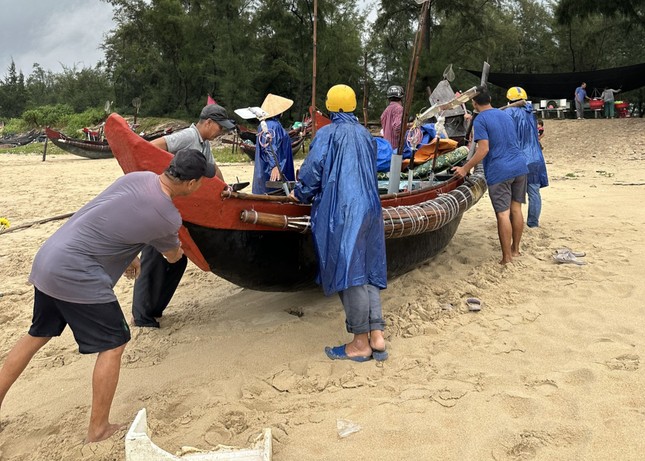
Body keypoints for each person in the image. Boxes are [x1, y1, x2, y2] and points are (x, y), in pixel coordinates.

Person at [0, 149, 215, 443]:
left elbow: (108, 216)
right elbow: (172, 255)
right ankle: (98, 429)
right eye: (203, 181)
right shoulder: (166, 215)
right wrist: (181, 251)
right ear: (191, 183)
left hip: (51, 257)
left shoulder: (141, 178)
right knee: (115, 344)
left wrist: (129, 256)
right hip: (77, 275)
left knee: (37, 335)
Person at [291, 84, 388, 362]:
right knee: (369, 268)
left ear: (330, 107)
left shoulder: (327, 134)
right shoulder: (365, 135)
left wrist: (299, 193)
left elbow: (312, 173)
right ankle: (377, 336)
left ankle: (360, 343)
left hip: (344, 210)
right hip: (371, 208)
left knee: (351, 273)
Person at [132, 104, 235, 328]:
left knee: (176, 260)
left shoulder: (204, 143)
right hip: (166, 203)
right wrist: (168, 181)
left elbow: (213, 169)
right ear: (207, 123)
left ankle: (153, 311)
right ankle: (142, 316)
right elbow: (151, 148)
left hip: (179, 209)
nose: (221, 132)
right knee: (154, 256)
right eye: (219, 127)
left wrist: (224, 188)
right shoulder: (188, 136)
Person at [452, 87, 528, 264]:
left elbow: (483, 149)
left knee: (503, 214)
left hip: (500, 170)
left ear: (474, 103)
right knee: (516, 209)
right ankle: (515, 250)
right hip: (520, 166)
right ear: (491, 99)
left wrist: (465, 168)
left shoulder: (480, 120)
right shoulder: (506, 115)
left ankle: (506, 258)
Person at [505, 87, 549, 228]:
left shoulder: (508, 112)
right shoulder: (531, 112)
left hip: (517, 157)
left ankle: (514, 222)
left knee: (513, 194)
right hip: (535, 156)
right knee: (534, 192)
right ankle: (533, 223)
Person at [252, 93, 296, 194]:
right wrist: (274, 166)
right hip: (274, 170)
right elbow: (269, 146)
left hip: (270, 168)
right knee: (276, 195)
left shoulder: (266, 124)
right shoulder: (272, 125)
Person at [380, 85, 405, 149]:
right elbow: (398, 127)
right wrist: (410, 125)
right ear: (401, 97)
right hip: (396, 148)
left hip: (387, 148)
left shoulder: (386, 111)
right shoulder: (399, 109)